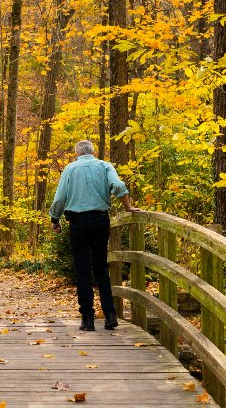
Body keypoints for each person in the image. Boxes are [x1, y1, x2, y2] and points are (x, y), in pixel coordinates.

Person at [50, 140, 139, 331]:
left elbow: (59, 198)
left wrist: (55, 219)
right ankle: (110, 315)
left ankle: (88, 319)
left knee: (82, 270)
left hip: (78, 222)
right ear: (93, 151)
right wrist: (128, 207)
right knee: (100, 268)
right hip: (100, 220)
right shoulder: (104, 166)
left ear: (77, 153)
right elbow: (118, 185)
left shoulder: (70, 169)